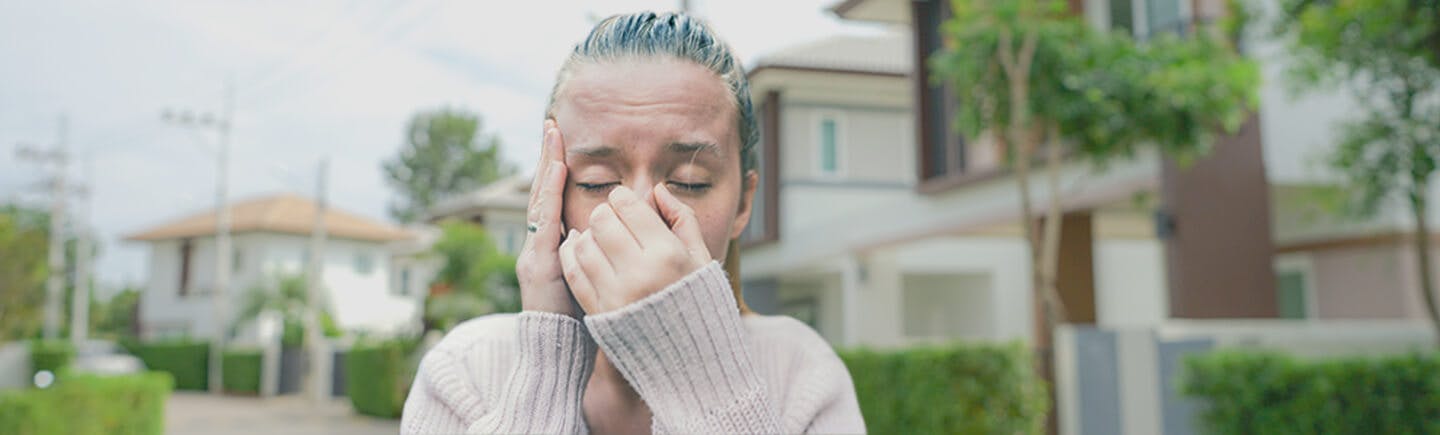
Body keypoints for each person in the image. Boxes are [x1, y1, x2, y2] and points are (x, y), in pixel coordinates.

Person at [401, 11, 865, 434]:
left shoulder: (803, 373)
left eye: (690, 181)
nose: (638, 212)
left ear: (744, 202)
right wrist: (546, 365)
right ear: (550, 195)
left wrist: (704, 381)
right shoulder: (465, 371)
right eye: (597, 182)